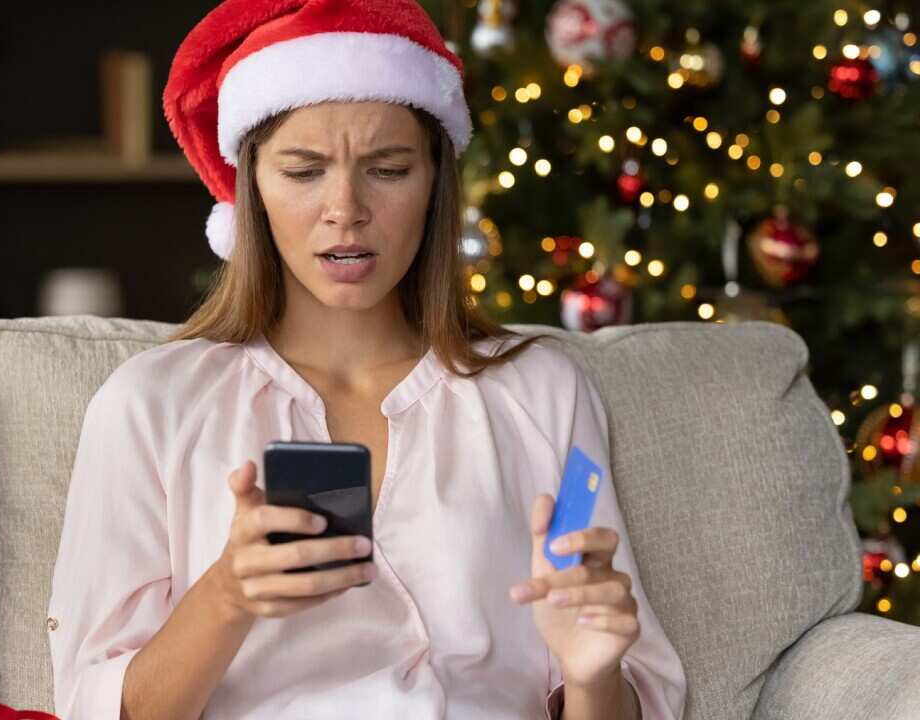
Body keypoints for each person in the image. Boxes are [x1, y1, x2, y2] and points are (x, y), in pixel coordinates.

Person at [47, 1, 687, 718]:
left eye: (387, 169)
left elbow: (623, 686)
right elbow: (90, 704)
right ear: (253, 189)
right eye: (303, 171)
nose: (345, 208)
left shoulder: (541, 391)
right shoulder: (151, 403)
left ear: (435, 183)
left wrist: (593, 678)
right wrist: (227, 595)